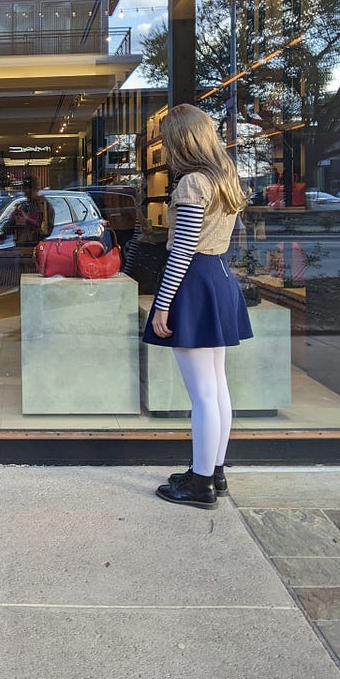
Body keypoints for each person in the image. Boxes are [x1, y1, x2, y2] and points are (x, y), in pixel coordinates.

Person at [143, 104, 253, 510]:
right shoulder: (224, 179)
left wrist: (162, 304)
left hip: (193, 282)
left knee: (203, 393)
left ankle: (200, 483)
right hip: (219, 277)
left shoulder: (192, 183)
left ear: (181, 142)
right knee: (217, 386)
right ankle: (213, 470)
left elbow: (184, 247)